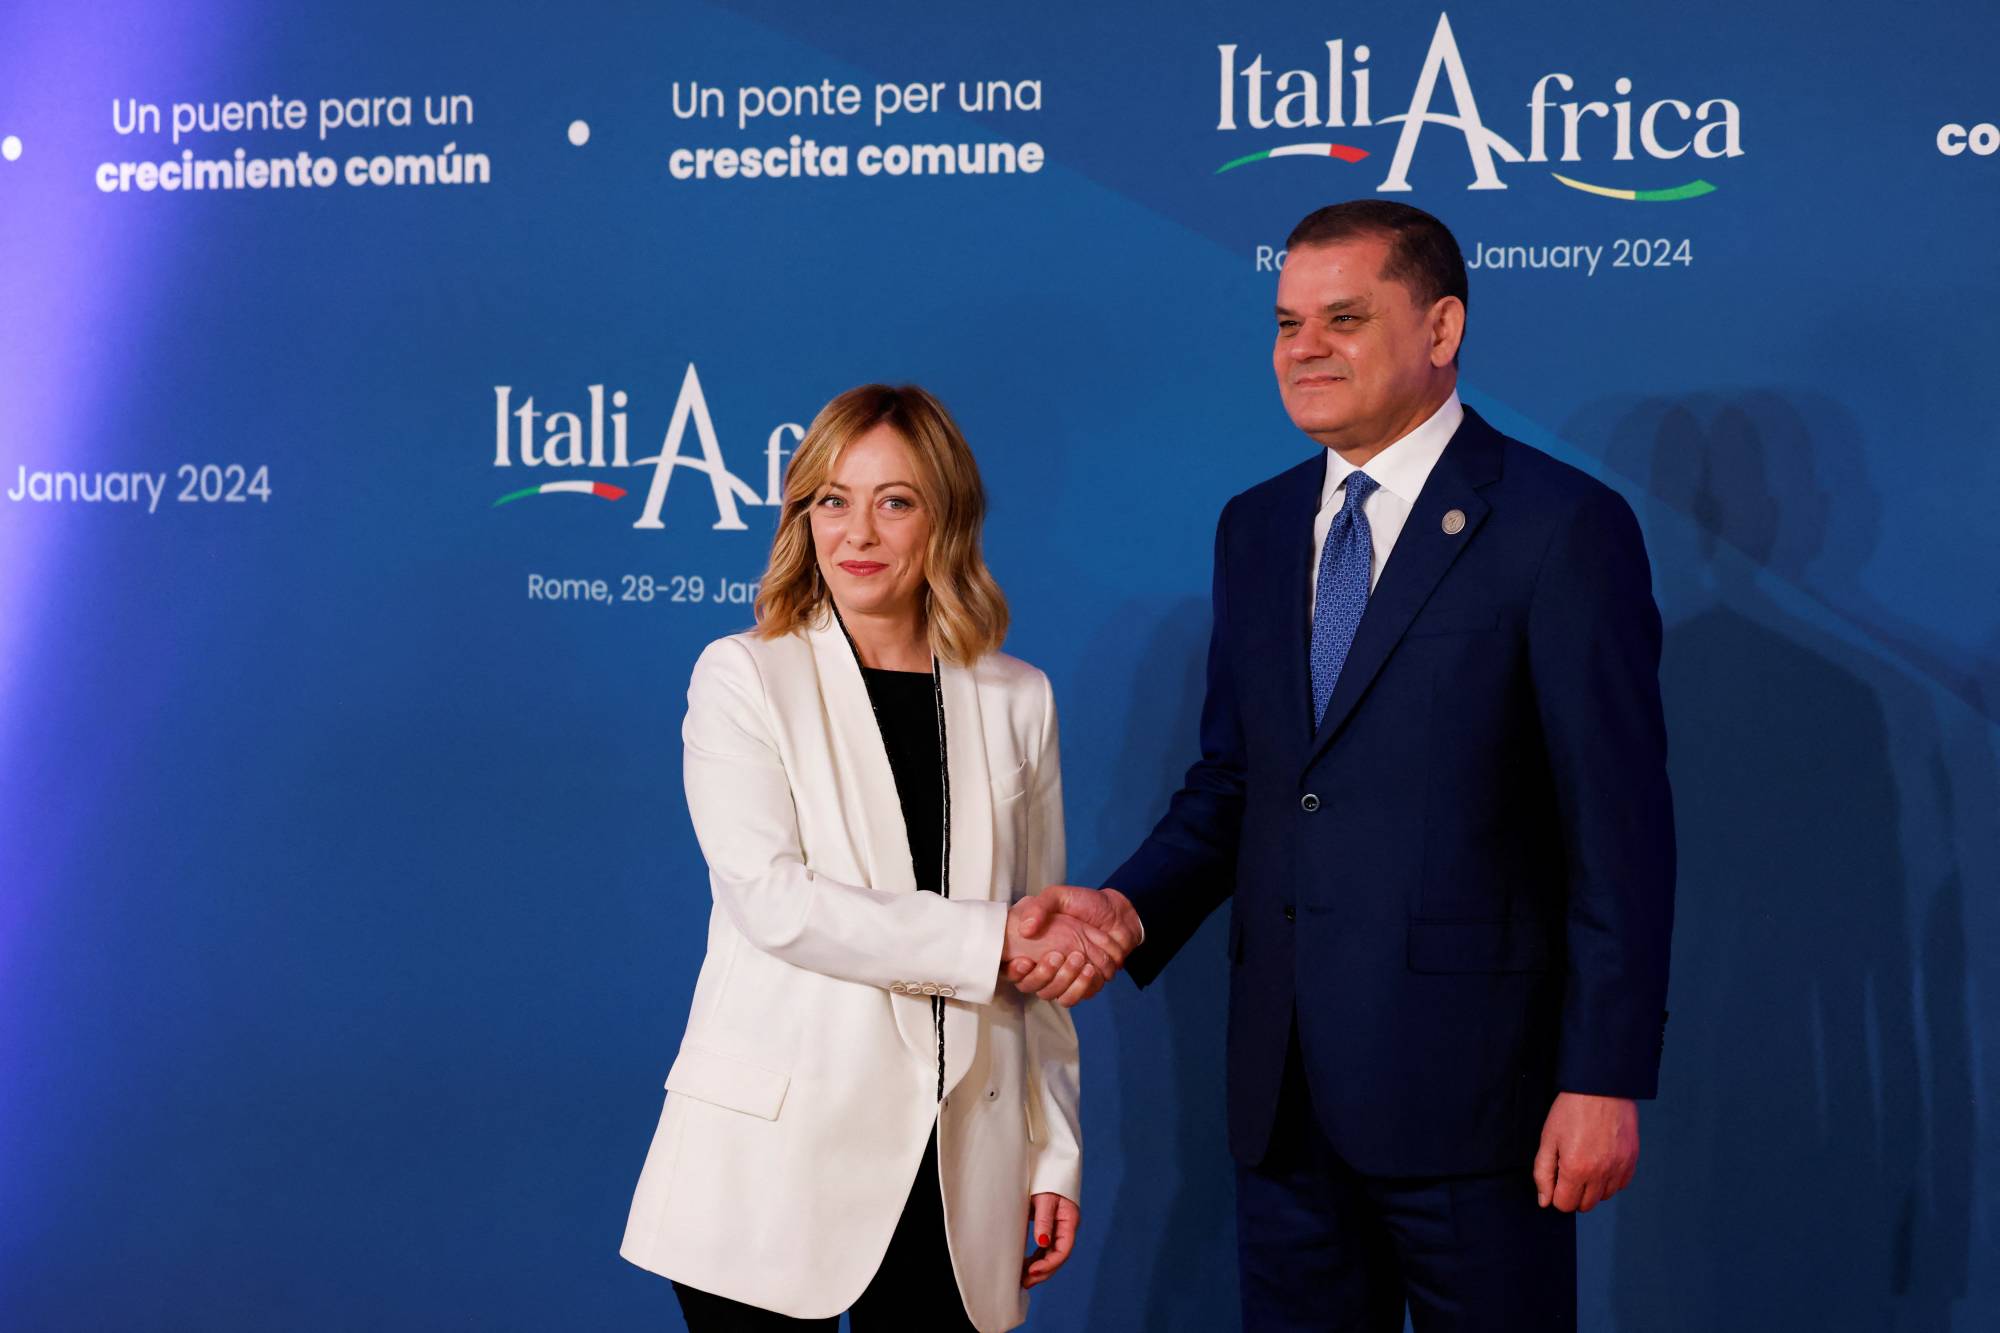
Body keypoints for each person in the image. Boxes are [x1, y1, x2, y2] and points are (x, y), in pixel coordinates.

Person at [1012, 200, 1677, 1330]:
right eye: (1286, 323)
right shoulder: (1257, 526)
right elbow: (1242, 781)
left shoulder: (1560, 525)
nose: (1303, 348)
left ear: (1441, 327)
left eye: (1343, 318)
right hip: (1284, 1101)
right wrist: (1127, 907)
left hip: (1481, 1103)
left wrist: (1602, 1073)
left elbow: (1617, 828)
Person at [620, 384, 1111, 1332]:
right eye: (832, 500)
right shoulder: (744, 674)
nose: (858, 532)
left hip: (959, 1165)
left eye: (895, 501)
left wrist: (1053, 1146)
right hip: (772, 1162)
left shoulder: (1019, 696)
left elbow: (1039, 941)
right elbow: (775, 901)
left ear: (945, 517)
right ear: (801, 516)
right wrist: (993, 940)